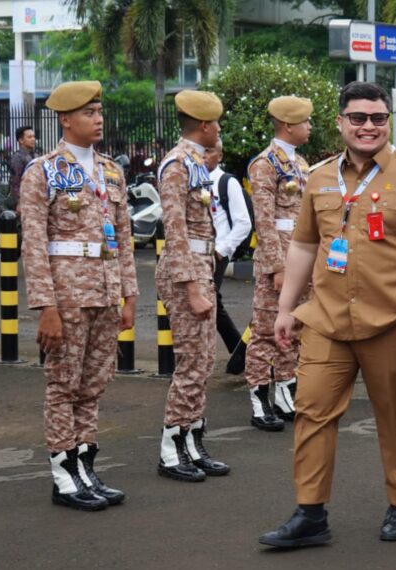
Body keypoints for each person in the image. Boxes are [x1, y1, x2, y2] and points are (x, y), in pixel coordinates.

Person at [258, 82, 396, 548]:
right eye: (358, 118)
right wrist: (286, 307)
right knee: (311, 412)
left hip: (391, 318)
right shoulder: (318, 177)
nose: (368, 126)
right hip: (326, 319)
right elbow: (303, 244)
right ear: (340, 123)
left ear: (388, 122)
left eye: (377, 118)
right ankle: (310, 513)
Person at [20, 81, 138, 510]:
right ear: (65, 119)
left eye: (100, 111)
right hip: (67, 297)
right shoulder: (44, 171)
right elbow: (33, 244)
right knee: (62, 386)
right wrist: (45, 308)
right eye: (89, 112)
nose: (98, 118)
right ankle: (63, 474)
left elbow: (122, 238)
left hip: (106, 292)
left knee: (93, 386)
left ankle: (86, 466)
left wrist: (129, 295)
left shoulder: (111, 170)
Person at [154, 90, 231, 482]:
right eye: (215, 123)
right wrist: (193, 288)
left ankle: (193, 440)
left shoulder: (196, 162)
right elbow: (176, 230)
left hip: (201, 265)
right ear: (203, 125)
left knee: (203, 362)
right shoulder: (177, 165)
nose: (218, 129)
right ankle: (171, 449)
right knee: (190, 361)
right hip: (186, 271)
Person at [244, 96, 313, 431]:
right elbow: (265, 220)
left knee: (295, 326)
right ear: (288, 125)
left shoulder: (300, 164)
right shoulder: (265, 164)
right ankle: (259, 398)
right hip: (281, 259)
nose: (310, 127)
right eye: (305, 121)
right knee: (265, 329)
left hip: (301, 256)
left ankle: (287, 390)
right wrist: (276, 267)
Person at [205, 140, 250, 357]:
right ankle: (240, 353)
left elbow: (244, 222)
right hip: (196, 252)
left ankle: (240, 354)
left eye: (210, 151)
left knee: (210, 301)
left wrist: (223, 250)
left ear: (220, 156)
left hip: (217, 252)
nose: (204, 155)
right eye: (202, 150)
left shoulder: (226, 182)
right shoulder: (191, 180)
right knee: (212, 302)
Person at [9, 126, 39, 210]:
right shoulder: (17, 157)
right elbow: (15, 182)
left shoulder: (36, 155)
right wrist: (19, 202)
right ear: (21, 140)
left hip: (36, 197)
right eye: (29, 137)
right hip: (25, 199)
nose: (33, 139)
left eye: (34, 136)